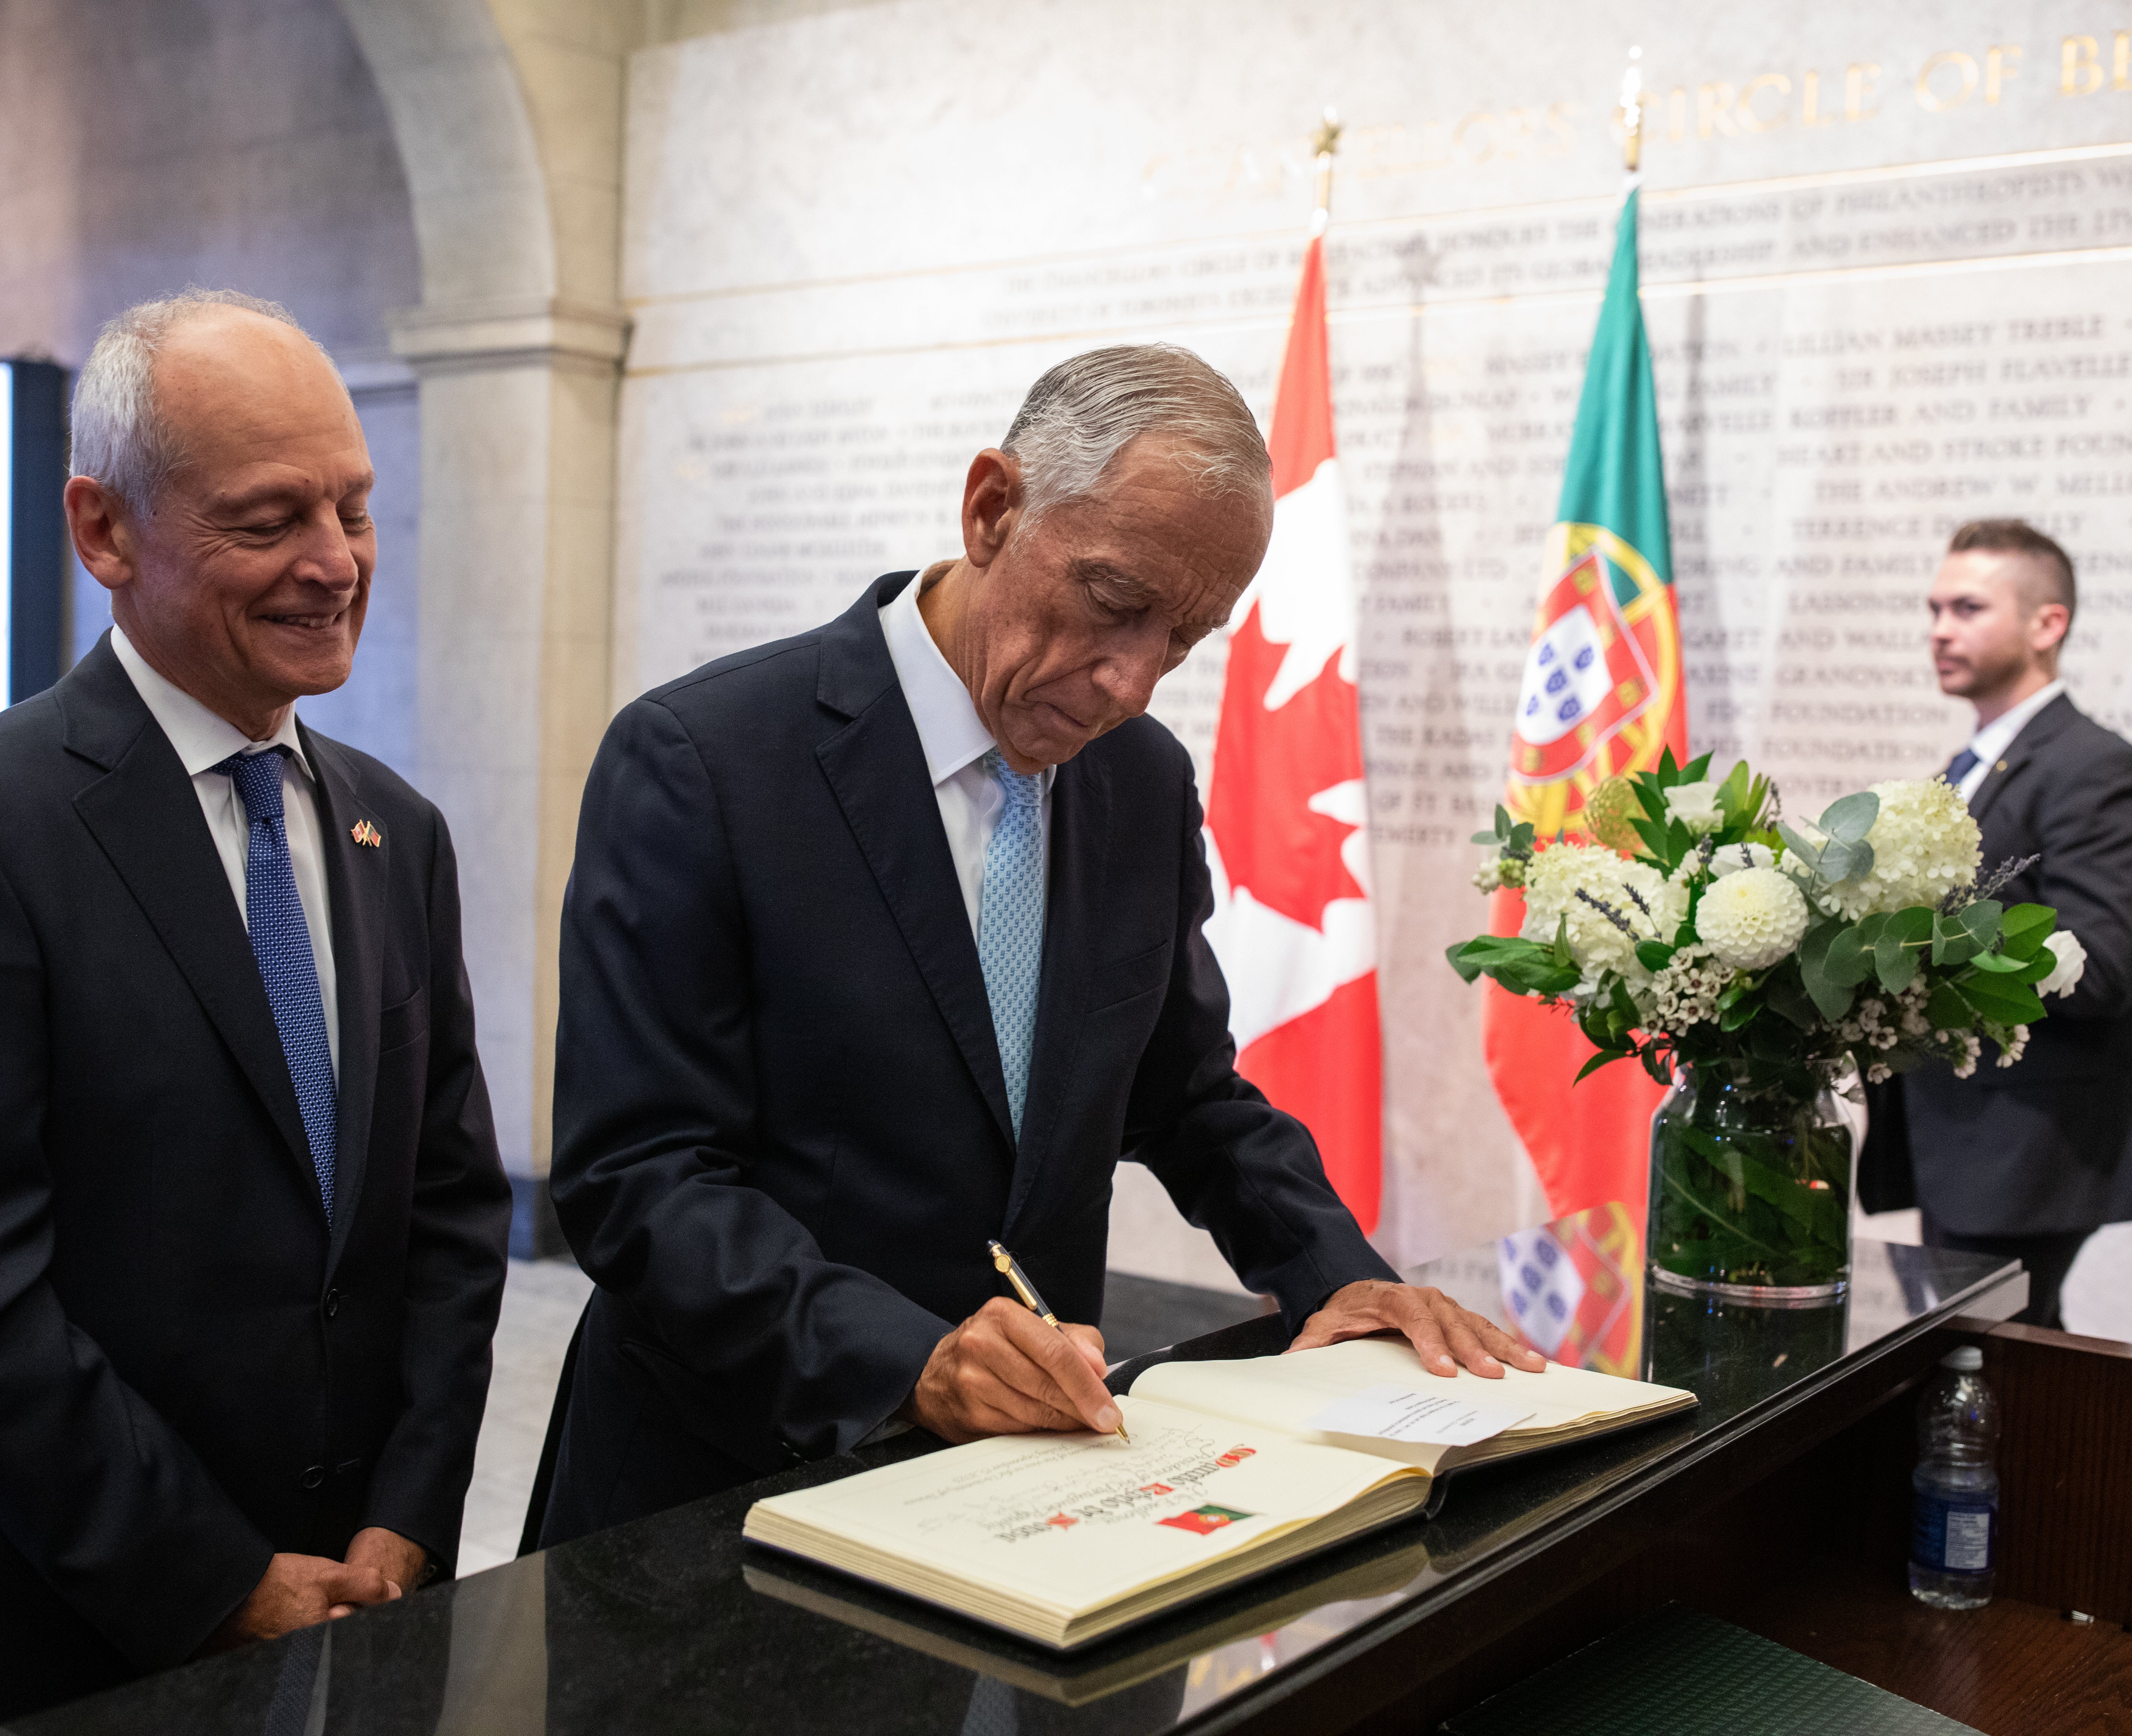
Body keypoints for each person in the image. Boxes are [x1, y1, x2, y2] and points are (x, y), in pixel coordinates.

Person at [526, 344, 1543, 1548]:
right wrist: (910, 1359)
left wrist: (1336, 1272)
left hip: (1025, 1498)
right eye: (1114, 606)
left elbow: (1187, 1095)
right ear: (994, 508)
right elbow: (639, 1178)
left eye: (1185, 639)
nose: (1131, 684)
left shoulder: (1140, 780)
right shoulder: (705, 759)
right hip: (723, 1494)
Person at [0, 289, 511, 1735]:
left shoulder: (400, 832)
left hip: (355, 1603)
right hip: (52, 1622)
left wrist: (411, 1512)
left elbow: (446, 1212)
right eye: (269, 522)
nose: (336, 566)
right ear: (104, 531)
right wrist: (212, 1579)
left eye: (357, 510)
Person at [1860, 518, 2132, 1330]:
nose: (1939, 630)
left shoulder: (2095, 766)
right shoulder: (1963, 770)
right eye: (1934, 609)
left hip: (2030, 1142)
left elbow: (2102, 965)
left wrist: (1923, 933)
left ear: (2047, 624)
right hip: (1958, 1132)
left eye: (1967, 608)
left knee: (2003, 1363)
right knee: (1989, 1362)